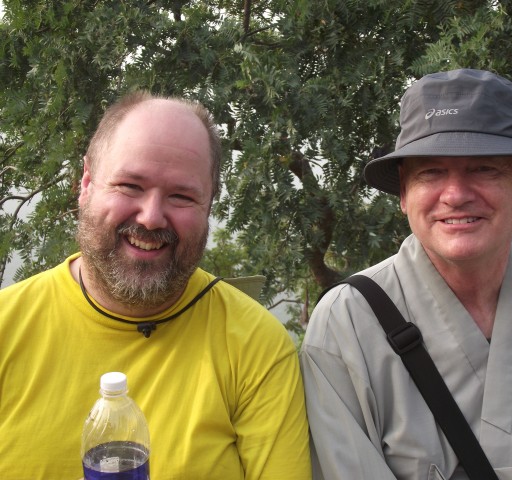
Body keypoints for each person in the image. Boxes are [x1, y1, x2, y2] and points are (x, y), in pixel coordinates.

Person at [300, 69, 512, 479]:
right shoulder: (348, 323)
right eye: (431, 172)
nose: (456, 195)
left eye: (483, 168)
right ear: (404, 192)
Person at [0, 91, 311, 479]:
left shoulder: (255, 346)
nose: (150, 217)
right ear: (86, 183)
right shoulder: (7, 327)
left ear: (209, 206)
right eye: (130, 185)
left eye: (181, 196)